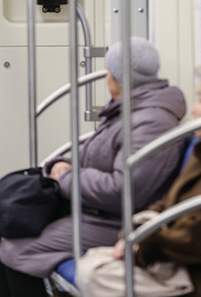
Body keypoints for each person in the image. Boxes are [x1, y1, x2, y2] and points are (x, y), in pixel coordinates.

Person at [0, 37, 187, 297]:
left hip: (119, 221)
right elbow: (95, 157)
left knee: (15, 249)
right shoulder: (129, 111)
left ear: (115, 76)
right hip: (94, 210)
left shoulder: (150, 121)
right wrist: (61, 165)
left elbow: (123, 191)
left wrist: (67, 177)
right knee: (5, 235)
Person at [76, 71, 201, 297]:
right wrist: (139, 229)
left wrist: (143, 244)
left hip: (188, 269)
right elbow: (169, 202)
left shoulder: (151, 122)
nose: (194, 110)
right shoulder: (198, 152)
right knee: (91, 262)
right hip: (166, 246)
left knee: (93, 273)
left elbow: (193, 238)